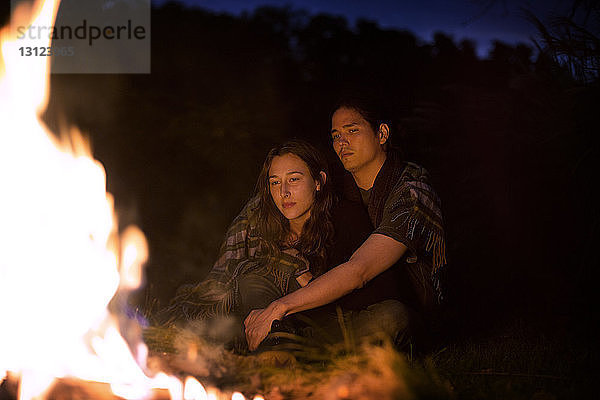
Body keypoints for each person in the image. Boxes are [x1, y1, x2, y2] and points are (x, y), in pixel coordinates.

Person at [244, 96, 446, 351]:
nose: (342, 142)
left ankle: (288, 343)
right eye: (336, 135)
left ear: (381, 133)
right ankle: (284, 341)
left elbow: (359, 270)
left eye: (352, 130)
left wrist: (280, 306)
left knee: (392, 319)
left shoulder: (412, 192)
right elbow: (274, 204)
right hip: (340, 303)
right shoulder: (340, 188)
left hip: (407, 304)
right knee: (254, 280)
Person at [165, 139, 371, 349]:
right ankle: (274, 347)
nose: (283, 192)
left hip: (322, 319)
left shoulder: (345, 218)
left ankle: (292, 345)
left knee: (391, 316)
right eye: (274, 182)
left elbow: (357, 287)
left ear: (318, 181)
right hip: (258, 315)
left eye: (294, 179)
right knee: (253, 279)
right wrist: (289, 263)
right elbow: (230, 275)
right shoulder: (258, 220)